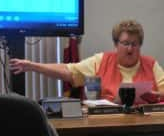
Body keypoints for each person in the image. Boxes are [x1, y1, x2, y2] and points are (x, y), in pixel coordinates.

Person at [10, 20, 164, 103]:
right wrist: (32, 66)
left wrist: (156, 95)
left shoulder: (151, 64)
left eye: (134, 44)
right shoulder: (101, 61)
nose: (130, 49)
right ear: (116, 44)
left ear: (140, 45)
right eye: (125, 43)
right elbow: (69, 70)